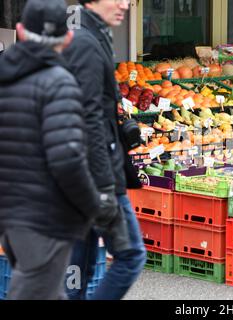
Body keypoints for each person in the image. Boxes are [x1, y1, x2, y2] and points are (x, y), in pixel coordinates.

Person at [0, 0, 101, 300]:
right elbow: (67, 160)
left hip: (10, 213)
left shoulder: (5, 77)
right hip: (45, 216)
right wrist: (92, 205)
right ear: (68, 37)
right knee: (33, 290)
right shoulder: (60, 83)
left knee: (46, 290)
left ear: (20, 30)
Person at [64, 0, 146, 300]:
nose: (126, 4)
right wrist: (103, 186)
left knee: (78, 269)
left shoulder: (88, 33)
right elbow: (86, 120)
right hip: (98, 177)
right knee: (131, 256)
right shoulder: (85, 41)